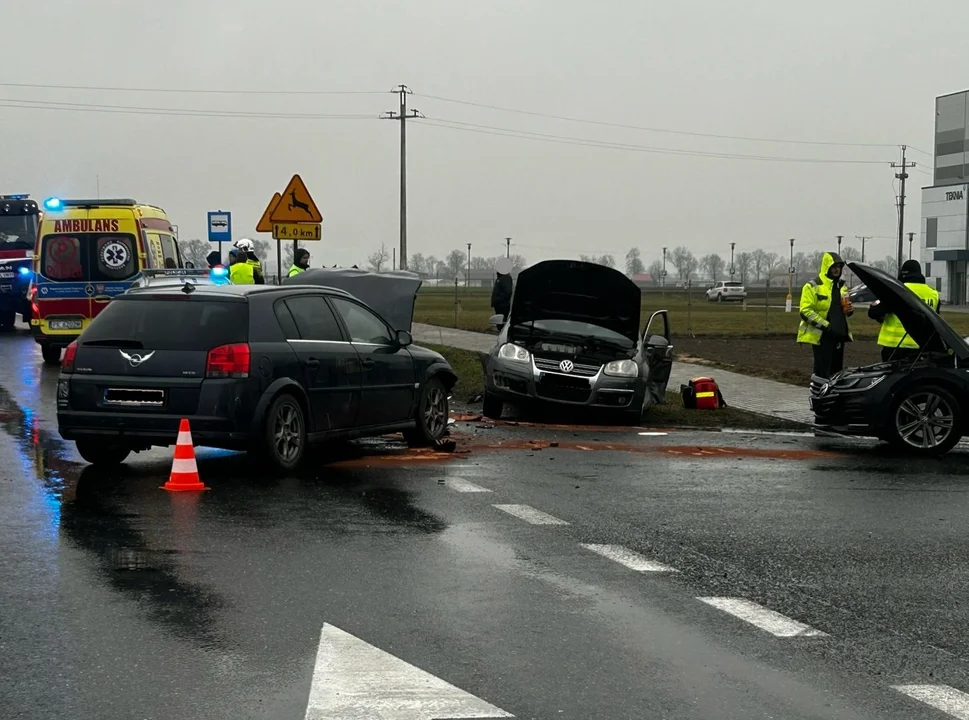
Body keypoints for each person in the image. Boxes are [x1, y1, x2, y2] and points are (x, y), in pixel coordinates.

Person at [868, 259, 940, 362]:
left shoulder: (897, 290)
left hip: (896, 347)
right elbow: (936, 321)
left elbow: (873, 312)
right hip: (922, 347)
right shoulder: (933, 293)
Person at [797, 251, 853, 380]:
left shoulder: (842, 286)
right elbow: (805, 311)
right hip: (822, 337)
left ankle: (835, 398)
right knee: (822, 372)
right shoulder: (812, 286)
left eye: (839, 267)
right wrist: (826, 326)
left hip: (839, 335)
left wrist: (849, 310)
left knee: (837, 374)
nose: (836, 270)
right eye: (834, 267)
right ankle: (819, 397)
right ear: (826, 267)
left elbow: (844, 310)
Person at [490, 257, 514, 322]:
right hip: (499, 305)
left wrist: (498, 300)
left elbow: (508, 291)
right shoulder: (500, 278)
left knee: (501, 321)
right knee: (499, 321)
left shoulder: (505, 278)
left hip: (502, 305)